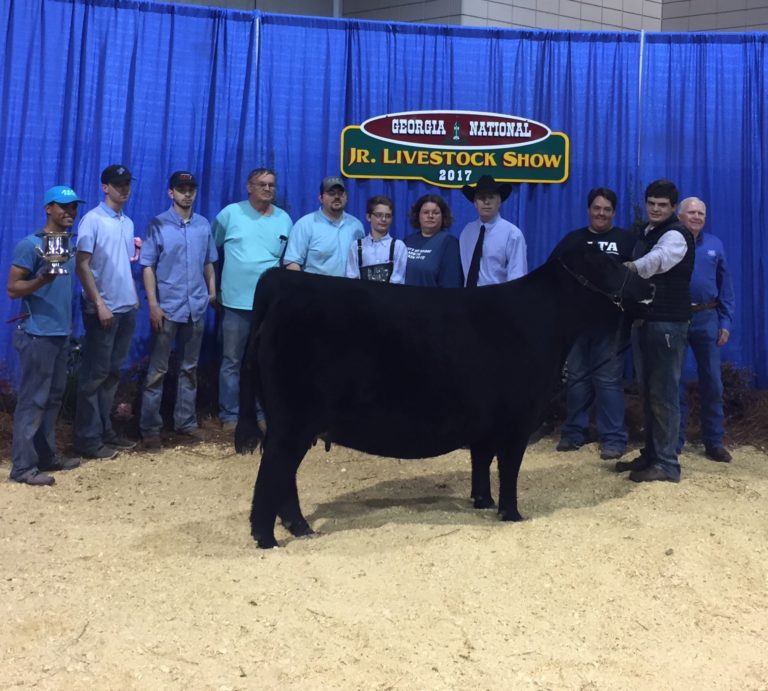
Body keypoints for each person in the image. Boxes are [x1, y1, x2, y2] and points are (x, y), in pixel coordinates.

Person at [616, 179, 694, 483]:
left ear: (673, 207)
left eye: (662, 205)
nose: (656, 209)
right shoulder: (648, 232)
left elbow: (658, 261)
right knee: (649, 393)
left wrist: (630, 269)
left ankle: (667, 463)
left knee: (663, 394)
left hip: (668, 323)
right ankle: (652, 455)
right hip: (648, 320)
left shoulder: (675, 234)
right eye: (652, 203)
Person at [6, 186, 85, 485]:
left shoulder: (68, 245)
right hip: (37, 333)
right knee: (33, 401)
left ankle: (45, 456)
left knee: (52, 399)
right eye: (63, 206)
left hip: (60, 332)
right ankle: (23, 468)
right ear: (47, 208)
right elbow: (13, 289)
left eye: (73, 207)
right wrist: (41, 279)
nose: (70, 212)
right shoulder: (30, 245)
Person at [551, 188, 635, 460]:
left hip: (611, 324)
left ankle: (613, 437)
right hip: (576, 324)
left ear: (613, 212)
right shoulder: (573, 241)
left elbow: (636, 279)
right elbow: (553, 274)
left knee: (608, 380)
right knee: (576, 378)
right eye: (596, 208)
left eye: (606, 209)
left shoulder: (626, 241)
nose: (601, 213)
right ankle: (574, 432)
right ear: (588, 210)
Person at [139, 172, 218, 449]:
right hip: (167, 308)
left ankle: (185, 423)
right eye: (181, 189)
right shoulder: (157, 225)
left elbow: (209, 261)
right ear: (171, 193)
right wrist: (153, 304)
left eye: (191, 189)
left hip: (195, 307)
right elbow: (147, 265)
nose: (187, 194)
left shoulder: (202, 225)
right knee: (158, 369)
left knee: (189, 368)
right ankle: (150, 428)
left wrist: (211, 291)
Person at [212, 168, 292, 431]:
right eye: (262, 184)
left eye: (271, 185)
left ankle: (261, 412)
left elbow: (288, 259)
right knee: (231, 361)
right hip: (235, 302)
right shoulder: (229, 214)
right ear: (249, 187)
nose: (267, 189)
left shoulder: (284, 219)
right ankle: (230, 415)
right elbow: (211, 252)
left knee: (264, 361)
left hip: (269, 305)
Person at [74, 165, 140, 460]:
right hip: (103, 308)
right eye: (117, 184)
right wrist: (98, 303)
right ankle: (87, 439)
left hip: (125, 307)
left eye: (126, 183)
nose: (123, 188)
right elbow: (82, 264)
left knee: (111, 374)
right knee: (95, 375)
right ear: (105, 187)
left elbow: (122, 264)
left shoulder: (127, 222)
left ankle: (104, 432)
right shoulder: (93, 220)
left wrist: (133, 296)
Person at [677, 196, 735, 462]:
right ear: (680, 216)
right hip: (675, 318)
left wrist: (725, 321)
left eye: (701, 213)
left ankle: (714, 442)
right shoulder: (670, 242)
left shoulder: (715, 244)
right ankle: (673, 441)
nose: (697, 217)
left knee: (712, 381)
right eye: (692, 212)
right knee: (673, 381)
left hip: (707, 317)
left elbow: (726, 286)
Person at [284, 176, 364, 276]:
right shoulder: (305, 224)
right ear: (321, 197)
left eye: (340, 193)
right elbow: (292, 263)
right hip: (315, 290)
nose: (337, 197)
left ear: (346, 197)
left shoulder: (356, 225)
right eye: (331, 193)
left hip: (350, 290)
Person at [458, 175, 527, 287]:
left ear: (499, 202)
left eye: (491, 197)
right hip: (468, 299)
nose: (486, 202)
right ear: (475, 203)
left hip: (497, 300)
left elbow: (517, 275)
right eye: (481, 198)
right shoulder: (467, 232)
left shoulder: (512, 234)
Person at [403, 194, 463, 288]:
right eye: (426, 212)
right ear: (418, 215)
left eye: (435, 213)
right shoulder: (408, 241)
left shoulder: (450, 244)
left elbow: (451, 285)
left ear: (443, 216)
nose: (430, 216)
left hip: (433, 301)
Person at [345, 195, 407, 283]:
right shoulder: (356, 246)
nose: (384, 219)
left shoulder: (399, 246)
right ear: (368, 217)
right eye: (379, 215)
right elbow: (352, 279)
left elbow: (398, 281)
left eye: (388, 216)